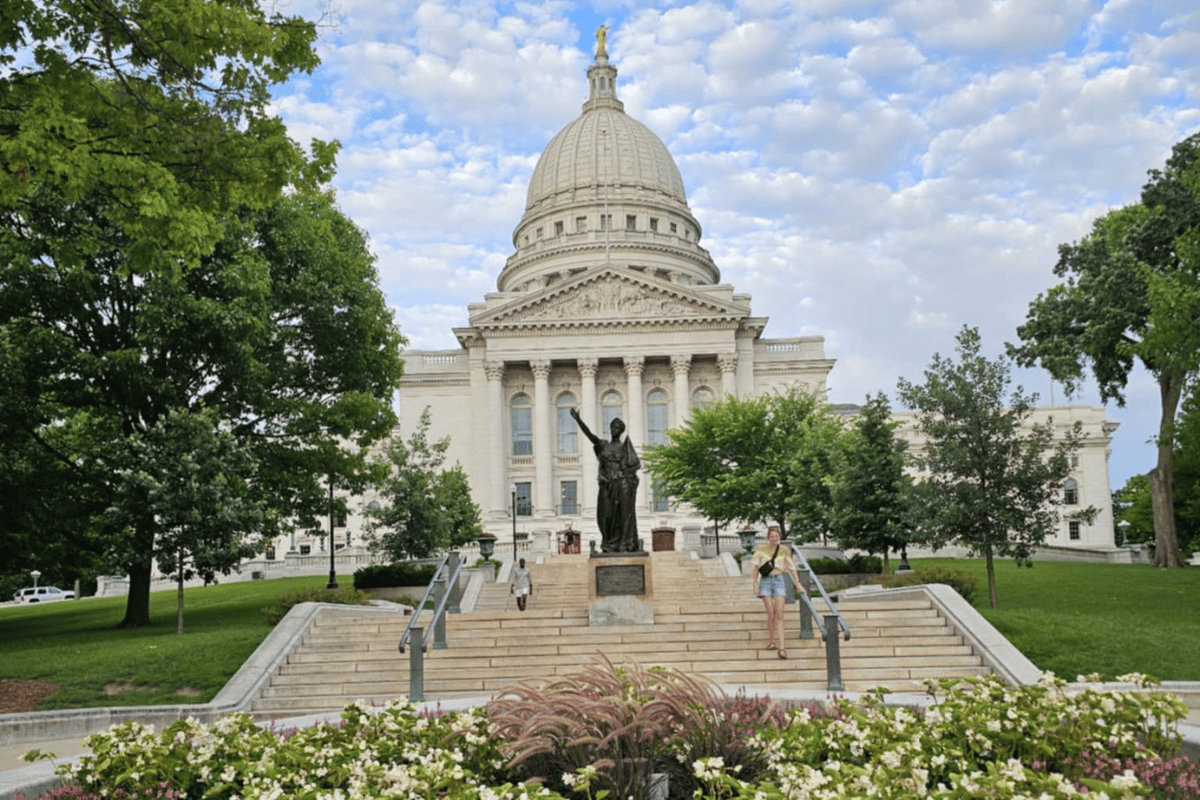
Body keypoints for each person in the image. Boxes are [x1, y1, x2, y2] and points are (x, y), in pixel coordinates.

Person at [570, 408, 640, 553]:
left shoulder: (624, 447)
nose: (614, 429)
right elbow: (590, 435)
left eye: (617, 427)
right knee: (605, 515)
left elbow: (634, 465)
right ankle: (609, 544)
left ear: (621, 431)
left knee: (625, 514)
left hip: (622, 482)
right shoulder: (603, 445)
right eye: (612, 427)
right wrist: (578, 420)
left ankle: (625, 544)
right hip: (607, 484)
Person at [751, 525, 807, 659]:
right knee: (771, 613)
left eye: (776, 536)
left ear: (779, 537)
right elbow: (756, 569)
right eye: (772, 536)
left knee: (780, 614)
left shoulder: (784, 550)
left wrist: (797, 583)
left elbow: (792, 567)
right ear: (768, 537)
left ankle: (782, 648)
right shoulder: (761, 549)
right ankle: (772, 641)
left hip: (779, 580)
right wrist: (755, 584)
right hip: (765, 582)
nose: (774, 539)